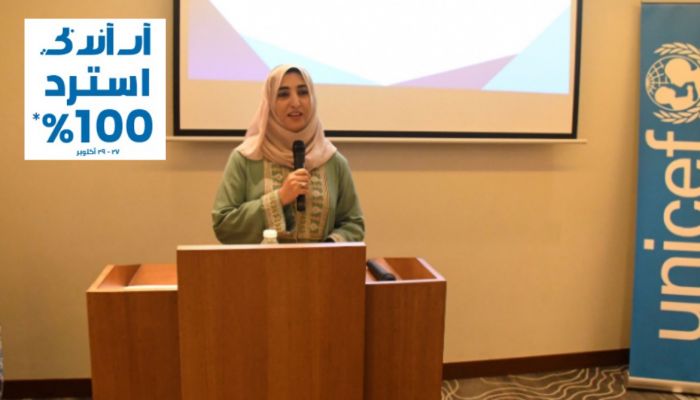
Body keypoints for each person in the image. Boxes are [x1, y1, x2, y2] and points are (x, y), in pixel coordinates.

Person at [212, 64, 365, 244]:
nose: (296, 103)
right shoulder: (245, 157)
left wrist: (328, 248)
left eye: (303, 92)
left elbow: (353, 225)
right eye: (283, 94)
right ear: (270, 103)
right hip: (262, 262)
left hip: (320, 262)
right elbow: (223, 225)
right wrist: (279, 198)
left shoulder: (333, 160)